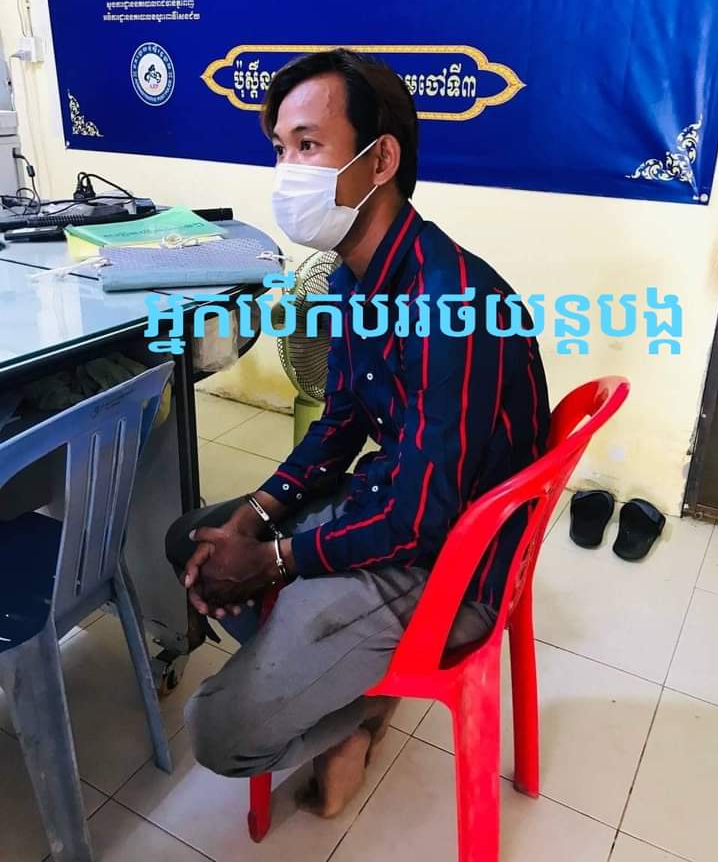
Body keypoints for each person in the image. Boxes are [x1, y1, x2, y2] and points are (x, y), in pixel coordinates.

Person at [165, 48, 550, 818]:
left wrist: (275, 560)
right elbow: (340, 424)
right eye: (280, 149)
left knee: (218, 733)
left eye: (308, 145)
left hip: (451, 562)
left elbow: (420, 521)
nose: (287, 172)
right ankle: (335, 675)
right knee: (193, 539)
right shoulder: (350, 282)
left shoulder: (450, 302)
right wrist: (257, 517)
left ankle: (356, 716)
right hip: (395, 502)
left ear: (380, 161)